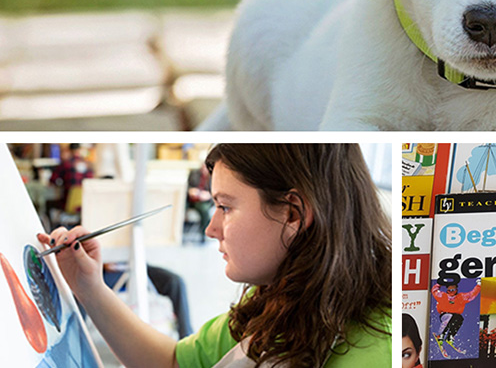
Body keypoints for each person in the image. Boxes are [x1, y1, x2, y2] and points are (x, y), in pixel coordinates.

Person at [37, 143, 391, 367]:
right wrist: (90, 287)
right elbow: (174, 362)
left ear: (293, 214)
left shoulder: (381, 350)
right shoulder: (278, 302)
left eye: (225, 207)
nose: (211, 228)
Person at [431, 279, 480, 349]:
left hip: (455, 316)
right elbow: (434, 291)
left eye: (453, 290)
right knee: (449, 317)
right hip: (445, 314)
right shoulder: (442, 295)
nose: (451, 292)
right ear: (447, 290)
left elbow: (471, 295)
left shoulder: (461, 297)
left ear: (456, 290)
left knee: (460, 318)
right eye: (449, 290)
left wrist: (478, 286)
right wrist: (439, 284)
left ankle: (450, 336)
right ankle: (440, 335)